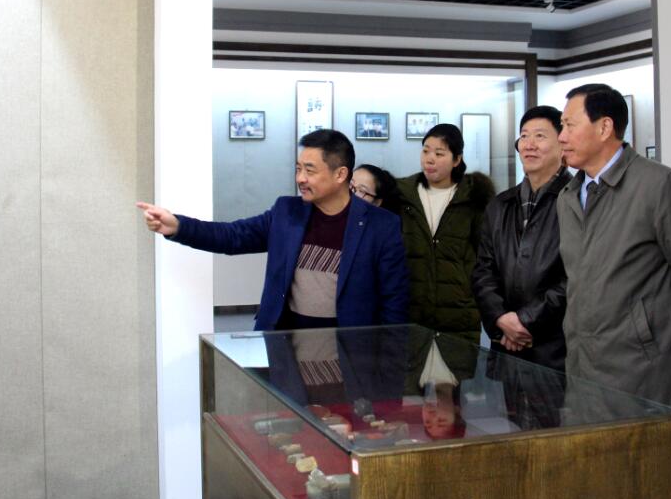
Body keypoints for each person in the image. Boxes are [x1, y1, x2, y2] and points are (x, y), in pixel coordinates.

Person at [137, 129, 409, 330]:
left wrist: (387, 361)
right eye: (298, 169)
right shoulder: (286, 212)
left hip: (351, 350)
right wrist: (178, 226)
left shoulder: (381, 225)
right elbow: (232, 236)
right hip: (286, 343)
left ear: (340, 174)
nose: (300, 178)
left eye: (310, 171)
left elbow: (394, 301)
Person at [555, 83, 671, 417]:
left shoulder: (659, 186)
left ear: (604, 127)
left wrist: (658, 338)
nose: (562, 136)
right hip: (584, 366)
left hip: (644, 374)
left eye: (569, 125)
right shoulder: (568, 196)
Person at [472, 105, 572, 370]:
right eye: (524, 136)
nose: (529, 144)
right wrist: (501, 319)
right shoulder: (500, 205)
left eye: (540, 136)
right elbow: (483, 270)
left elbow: (576, 276)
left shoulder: (576, 201)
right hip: (507, 346)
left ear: (563, 143)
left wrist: (525, 321)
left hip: (558, 349)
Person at [396, 124, 495, 344]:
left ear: (456, 159)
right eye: (425, 151)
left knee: (454, 365)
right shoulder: (403, 195)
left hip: (459, 316)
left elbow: (486, 258)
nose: (429, 159)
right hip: (412, 312)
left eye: (439, 153)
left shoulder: (473, 199)